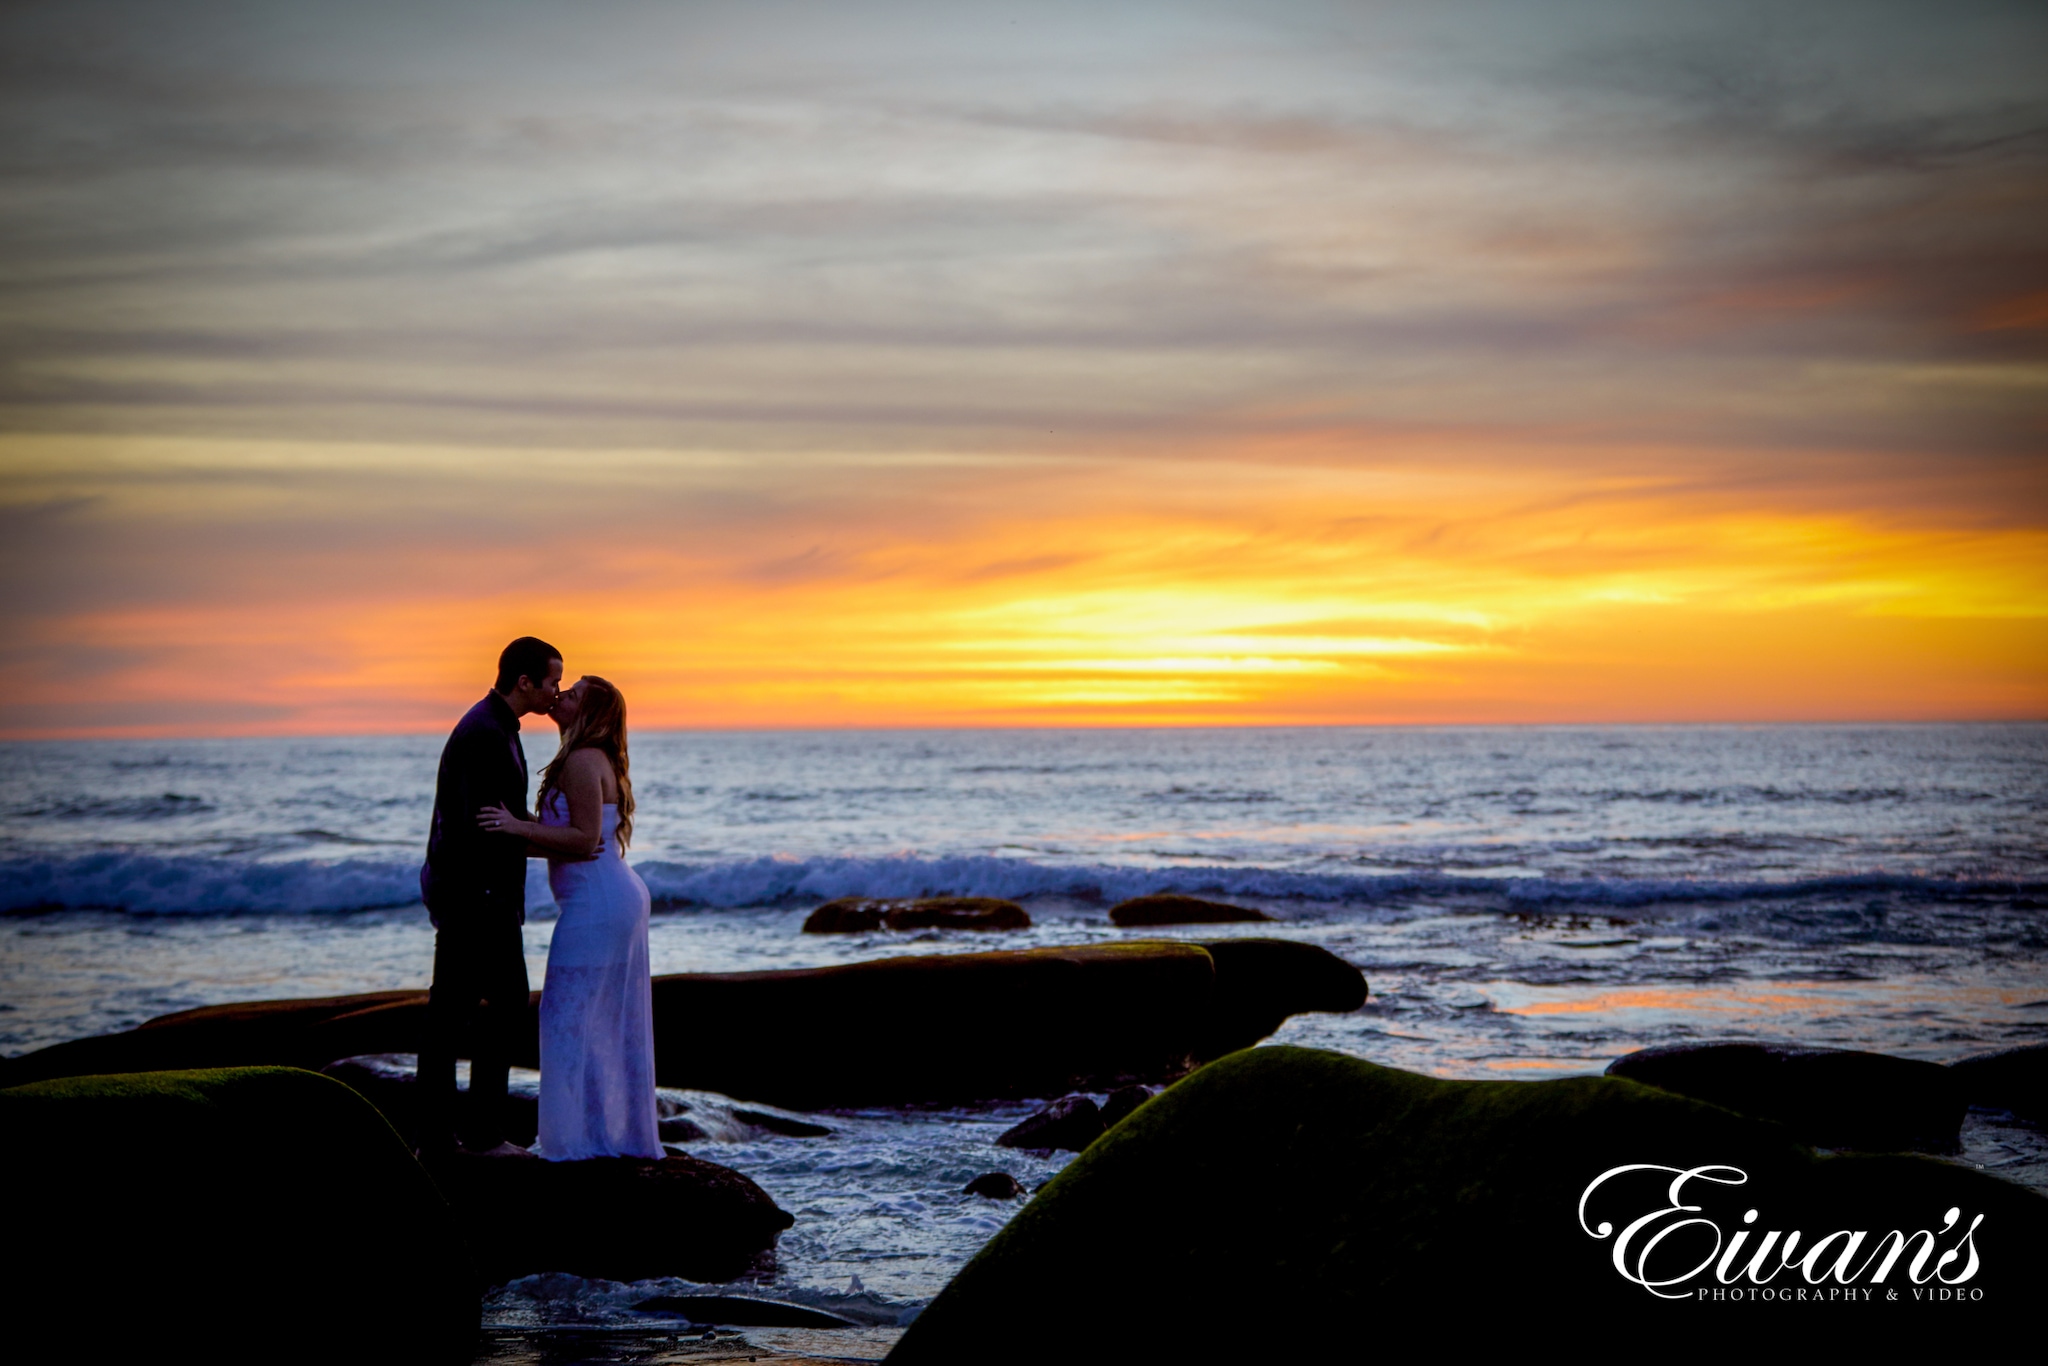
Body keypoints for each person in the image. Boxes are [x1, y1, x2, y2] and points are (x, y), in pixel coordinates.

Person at [478, 675, 661, 1160]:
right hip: (606, 899)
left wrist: (516, 827)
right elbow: (570, 843)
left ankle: (572, 1145)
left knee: (566, 1019)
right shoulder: (583, 758)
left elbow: (581, 842)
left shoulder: (582, 761)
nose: (561, 695)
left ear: (589, 714)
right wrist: (516, 838)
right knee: (595, 1023)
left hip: (598, 905)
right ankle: (601, 1136)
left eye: (573, 693)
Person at [417, 635, 562, 1157]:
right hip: (478, 899)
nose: (556, 692)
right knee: (487, 1011)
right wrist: (551, 841)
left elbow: (495, 821)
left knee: (461, 1014)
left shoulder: (495, 726)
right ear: (524, 682)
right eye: (552, 682)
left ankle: (447, 1137)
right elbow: (481, 826)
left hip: (477, 896)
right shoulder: (484, 732)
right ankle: (473, 1137)